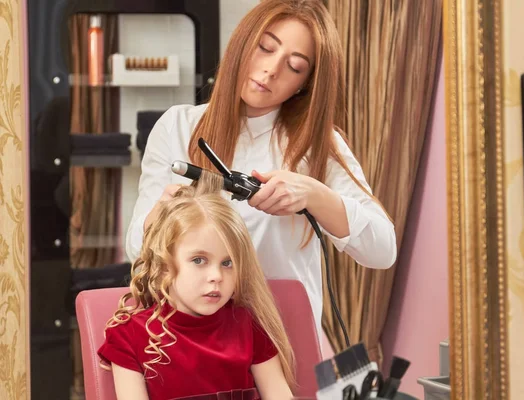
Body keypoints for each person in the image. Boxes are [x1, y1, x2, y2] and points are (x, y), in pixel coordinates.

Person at [126, 0, 397, 335]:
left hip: (283, 339)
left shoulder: (316, 144)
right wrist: (163, 216)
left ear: (305, 84)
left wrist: (312, 193)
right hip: (193, 341)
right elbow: (136, 249)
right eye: (265, 48)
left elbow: (383, 250)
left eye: (295, 66)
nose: (271, 69)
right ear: (242, 42)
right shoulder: (178, 127)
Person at [99, 182, 295, 400]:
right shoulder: (128, 336)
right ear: (164, 266)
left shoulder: (249, 325)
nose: (217, 276)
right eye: (199, 260)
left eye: (227, 263)